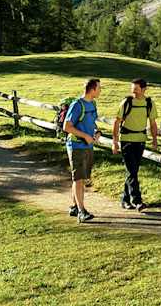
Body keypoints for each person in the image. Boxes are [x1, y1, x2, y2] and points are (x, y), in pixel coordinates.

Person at [111, 78, 160, 210]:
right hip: (126, 140)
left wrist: (154, 139)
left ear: (144, 89)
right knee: (132, 171)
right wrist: (115, 142)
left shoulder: (149, 103)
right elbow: (116, 122)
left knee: (132, 171)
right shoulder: (126, 102)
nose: (134, 93)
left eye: (136, 90)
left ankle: (125, 200)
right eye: (132, 90)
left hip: (141, 140)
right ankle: (137, 200)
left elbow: (153, 123)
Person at [62, 78, 103, 222]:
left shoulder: (92, 103)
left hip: (88, 146)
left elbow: (92, 122)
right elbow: (67, 127)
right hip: (76, 146)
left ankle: (74, 207)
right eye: (99, 88)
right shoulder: (77, 105)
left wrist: (97, 132)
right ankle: (81, 212)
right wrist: (85, 136)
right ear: (92, 90)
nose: (100, 90)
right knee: (78, 179)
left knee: (81, 178)